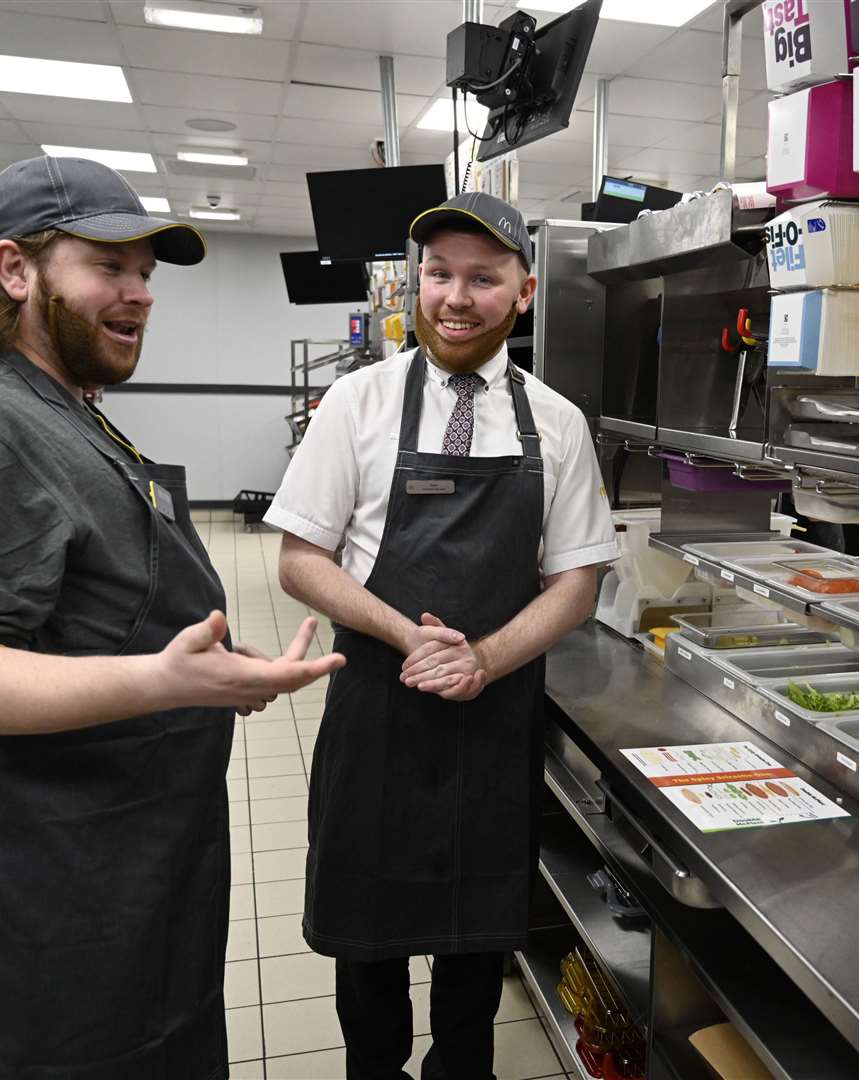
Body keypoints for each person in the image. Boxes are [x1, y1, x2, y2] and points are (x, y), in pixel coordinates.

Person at [0, 155, 344, 1080]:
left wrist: (211, 668)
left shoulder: (63, 410)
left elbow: (94, 611)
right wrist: (168, 680)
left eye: (146, 276)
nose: (139, 294)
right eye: (109, 267)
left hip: (126, 855)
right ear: (15, 271)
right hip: (46, 879)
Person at [268, 192, 619, 1079]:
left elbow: (579, 580)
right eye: (439, 274)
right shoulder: (358, 403)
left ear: (524, 291)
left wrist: (487, 658)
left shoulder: (558, 424)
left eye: (482, 278)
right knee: (369, 957)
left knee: (474, 961)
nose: (455, 297)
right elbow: (301, 560)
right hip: (378, 710)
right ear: (416, 284)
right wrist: (410, 638)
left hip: (492, 721)